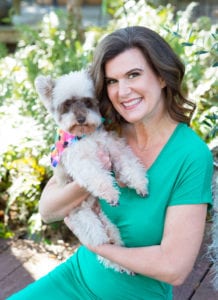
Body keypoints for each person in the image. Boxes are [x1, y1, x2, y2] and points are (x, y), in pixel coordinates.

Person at [7, 26, 213, 300]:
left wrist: (101, 248)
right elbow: (48, 210)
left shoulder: (190, 155)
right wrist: (89, 180)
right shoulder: (103, 129)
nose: (122, 91)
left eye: (133, 75)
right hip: (76, 277)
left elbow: (174, 268)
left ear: (162, 77)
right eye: (112, 81)